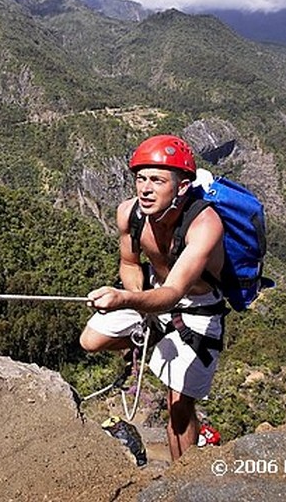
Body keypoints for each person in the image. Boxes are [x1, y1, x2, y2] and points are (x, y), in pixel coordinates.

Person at [81, 134, 226, 461]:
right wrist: (135, 298)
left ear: (182, 187)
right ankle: (150, 337)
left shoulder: (204, 224)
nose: (145, 189)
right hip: (149, 292)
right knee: (91, 340)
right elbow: (130, 262)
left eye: (157, 181)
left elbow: (174, 292)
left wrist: (125, 301)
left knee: (178, 407)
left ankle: (184, 479)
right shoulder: (129, 214)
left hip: (197, 309)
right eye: (141, 179)